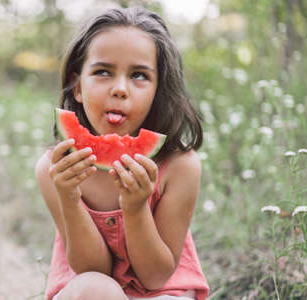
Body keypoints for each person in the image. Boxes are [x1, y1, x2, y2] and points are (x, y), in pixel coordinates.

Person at [35, 6, 209, 300]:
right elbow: (93, 269)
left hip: (163, 292)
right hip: (90, 291)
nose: (119, 89)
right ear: (77, 86)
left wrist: (136, 207)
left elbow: (155, 277)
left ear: (158, 90)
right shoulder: (56, 169)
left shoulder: (180, 167)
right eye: (103, 72)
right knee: (94, 288)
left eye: (139, 75)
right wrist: (69, 197)